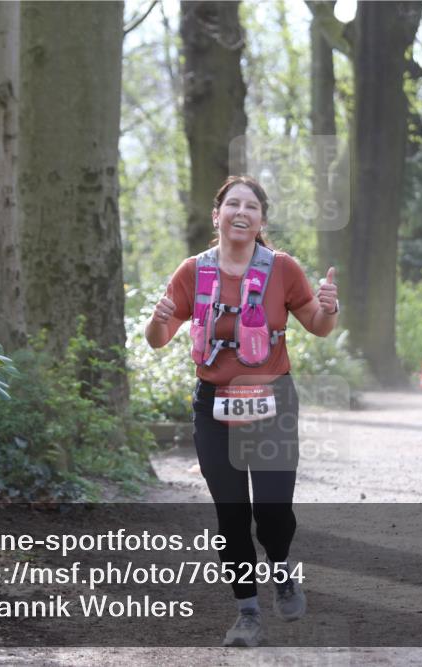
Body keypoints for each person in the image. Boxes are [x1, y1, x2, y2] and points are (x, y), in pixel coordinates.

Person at [145, 175, 339, 647]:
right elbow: (158, 340)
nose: (241, 212)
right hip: (214, 407)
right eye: (232, 204)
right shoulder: (194, 271)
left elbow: (317, 325)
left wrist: (330, 308)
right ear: (217, 216)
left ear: (261, 220)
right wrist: (158, 319)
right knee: (230, 515)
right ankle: (247, 611)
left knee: (273, 513)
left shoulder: (282, 269)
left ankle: (280, 567)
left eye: (251, 206)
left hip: (272, 401)